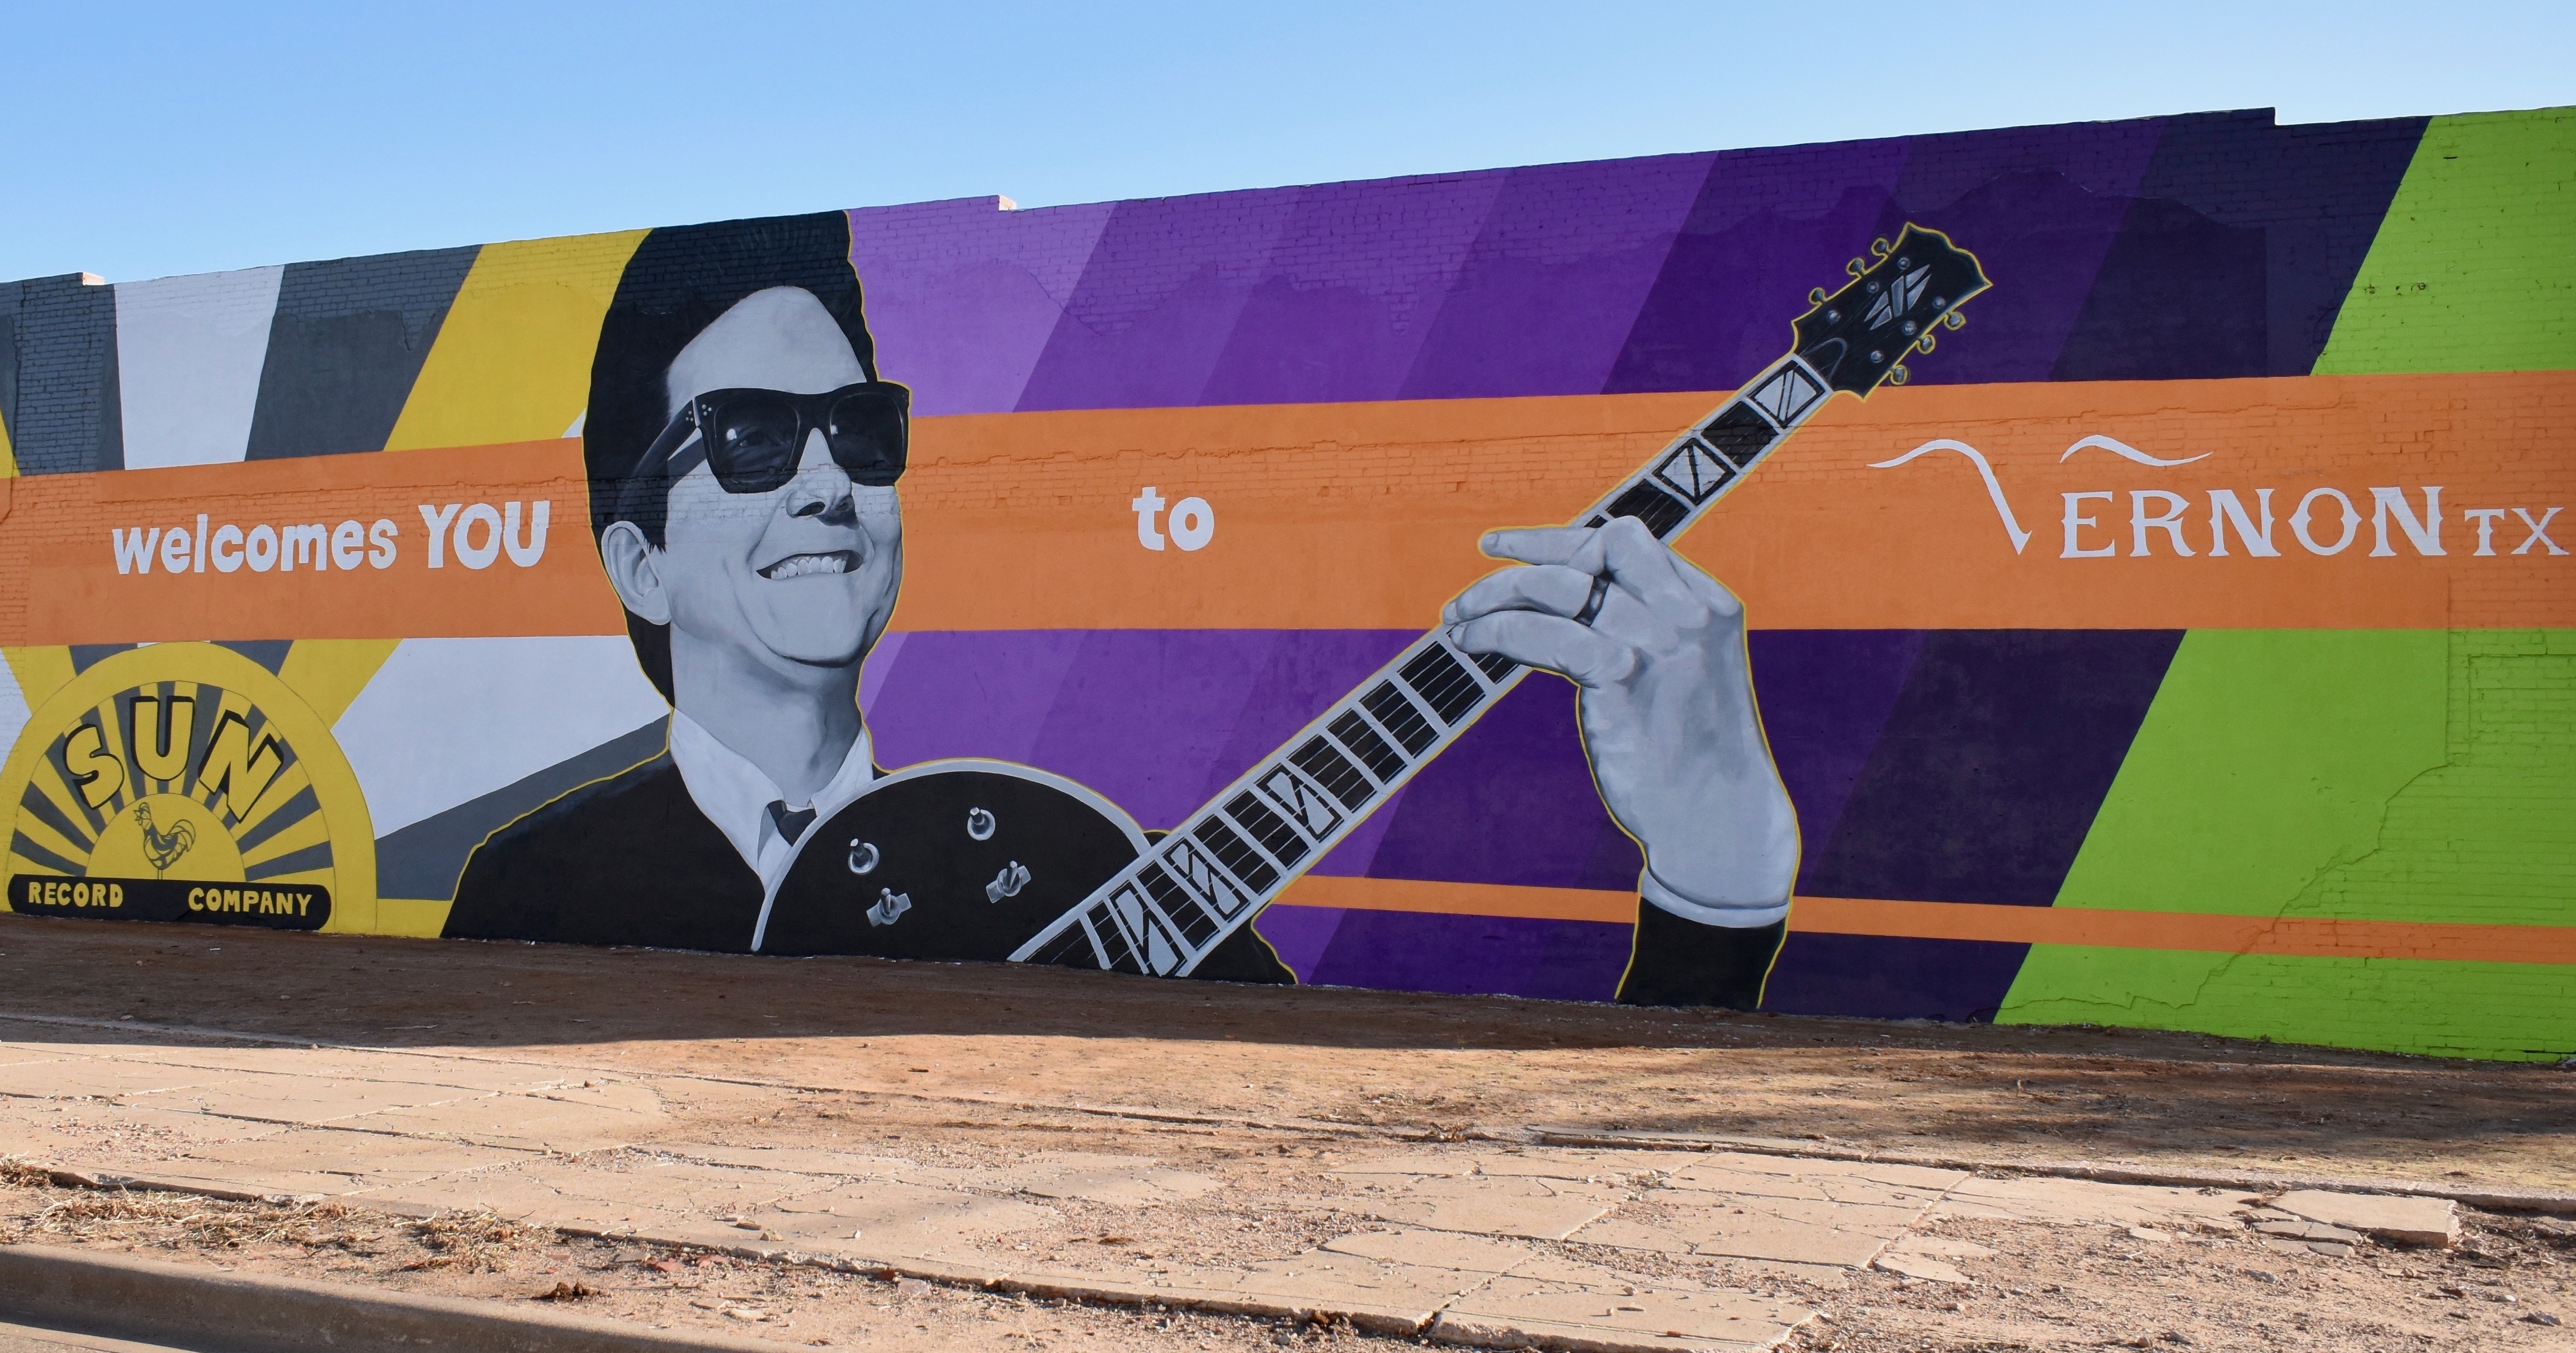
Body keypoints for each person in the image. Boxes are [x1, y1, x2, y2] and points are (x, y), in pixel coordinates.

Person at [441, 213, 1798, 1007]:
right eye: (744, 438)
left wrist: (1714, 890)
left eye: (859, 428)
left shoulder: (1104, 874)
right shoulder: (531, 885)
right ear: (638, 564)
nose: (825, 482)